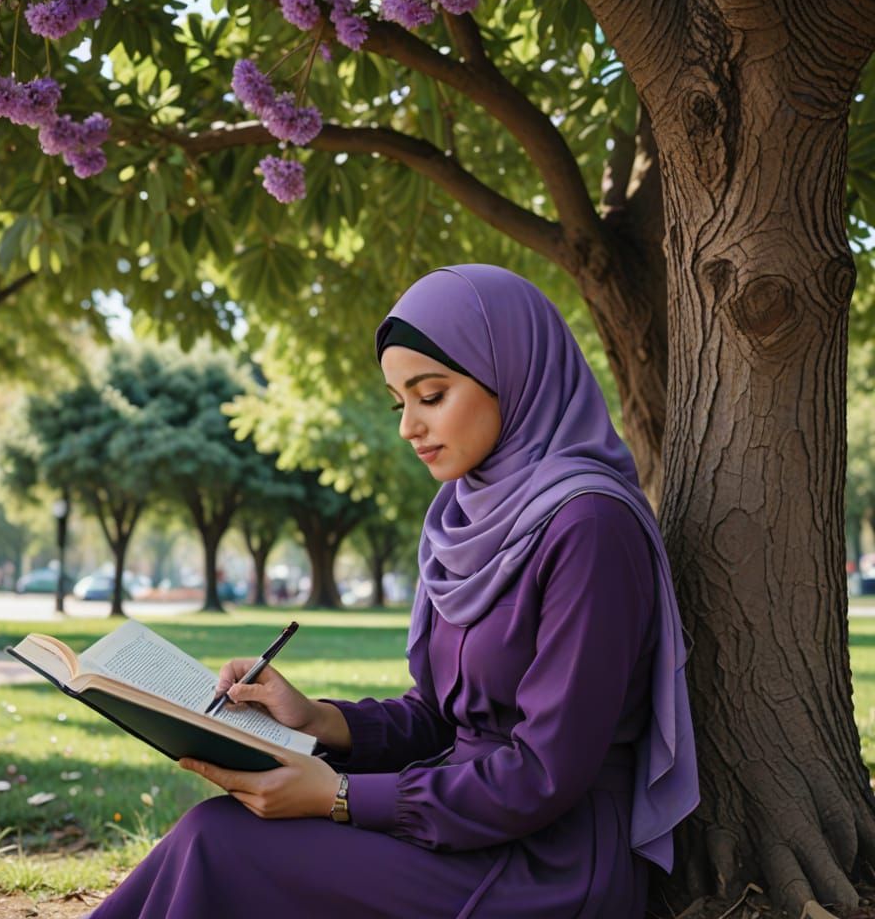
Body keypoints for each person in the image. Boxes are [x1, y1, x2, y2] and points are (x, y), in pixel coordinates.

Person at [86, 264, 698, 919]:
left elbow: (543, 775)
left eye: (431, 395)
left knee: (219, 843)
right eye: (397, 401)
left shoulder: (591, 526)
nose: (408, 426)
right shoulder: (460, 518)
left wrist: (339, 796)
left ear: (515, 375)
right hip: (451, 823)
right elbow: (439, 720)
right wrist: (318, 719)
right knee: (216, 829)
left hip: (547, 864)